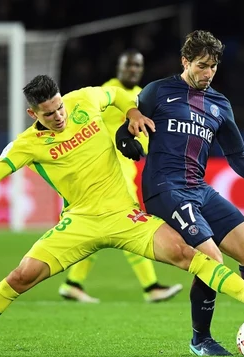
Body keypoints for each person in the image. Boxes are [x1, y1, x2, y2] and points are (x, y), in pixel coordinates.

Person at [0, 75, 244, 356]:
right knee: (21, 276)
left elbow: (119, 94)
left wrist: (133, 110)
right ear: (32, 113)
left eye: (59, 107)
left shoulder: (84, 99)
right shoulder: (26, 144)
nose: (58, 115)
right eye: (48, 113)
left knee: (193, 255)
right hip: (79, 223)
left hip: (126, 216)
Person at [116, 30, 244, 356]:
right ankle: (201, 339)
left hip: (199, 189)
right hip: (165, 188)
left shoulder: (219, 104)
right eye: (201, 66)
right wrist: (125, 140)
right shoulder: (158, 92)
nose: (208, 73)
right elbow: (125, 127)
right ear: (185, 61)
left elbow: (238, 158)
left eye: (213, 67)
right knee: (211, 257)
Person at [59, 49, 183, 304]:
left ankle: (73, 283)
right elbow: (88, 125)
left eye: (137, 66)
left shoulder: (141, 95)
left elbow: (142, 133)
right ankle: (151, 287)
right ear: (118, 68)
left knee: (100, 227)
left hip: (126, 169)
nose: (133, 70)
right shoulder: (108, 91)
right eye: (128, 66)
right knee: (130, 221)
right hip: (108, 170)